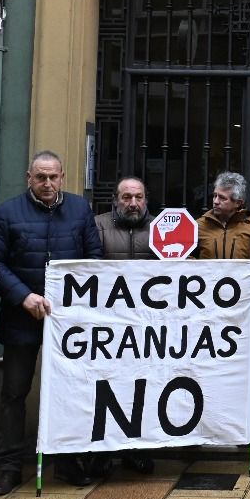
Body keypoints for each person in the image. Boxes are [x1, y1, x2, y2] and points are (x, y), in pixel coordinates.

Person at [0, 150, 104, 496]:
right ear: (29, 178)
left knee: (68, 392)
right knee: (14, 393)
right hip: (22, 317)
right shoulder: (8, 212)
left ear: (62, 177)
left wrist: (76, 300)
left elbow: (93, 258)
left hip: (68, 323)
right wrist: (23, 297)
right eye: (41, 177)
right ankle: (9, 466)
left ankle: (66, 460)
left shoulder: (80, 210)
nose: (47, 183)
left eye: (53, 177)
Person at [91, 175, 157, 474]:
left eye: (138, 197)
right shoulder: (97, 225)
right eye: (126, 197)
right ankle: (101, 452)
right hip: (108, 328)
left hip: (147, 327)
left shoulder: (161, 228)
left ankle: (137, 450)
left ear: (146, 199)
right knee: (104, 388)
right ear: (115, 200)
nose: (133, 203)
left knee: (142, 388)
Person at [195, 172, 250, 299]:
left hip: (242, 296)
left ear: (238, 203)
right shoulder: (198, 226)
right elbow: (186, 256)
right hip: (204, 294)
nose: (216, 201)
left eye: (222, 198)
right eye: (214, 196)